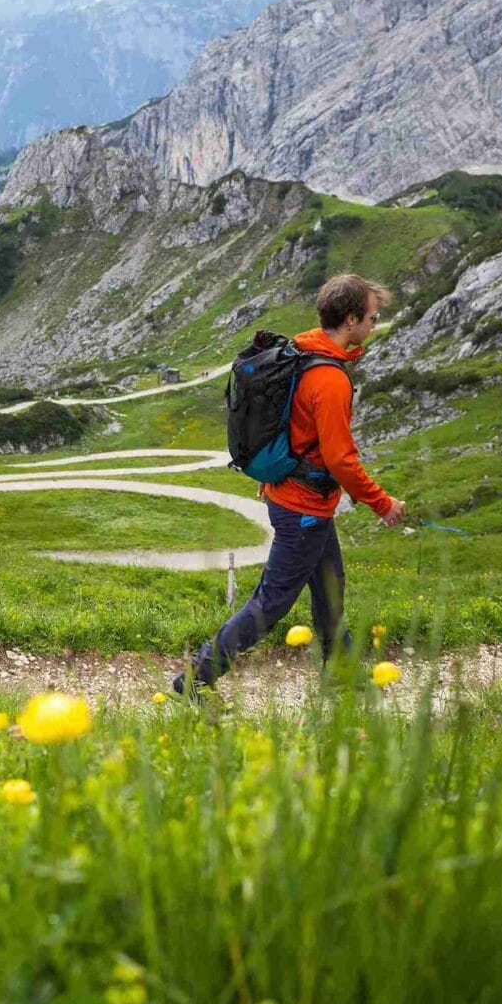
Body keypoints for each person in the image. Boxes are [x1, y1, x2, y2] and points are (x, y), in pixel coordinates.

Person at [179, 273, 407, 697]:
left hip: (301, 502)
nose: (374, 326)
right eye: (372, 318)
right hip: (302, 508)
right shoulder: (330, 379)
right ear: (352, 319)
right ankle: (197, 676)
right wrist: (382, 504)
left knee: (330, 591)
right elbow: (340, 459)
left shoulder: (304, 349)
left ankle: (341, 678)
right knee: (271, 603)